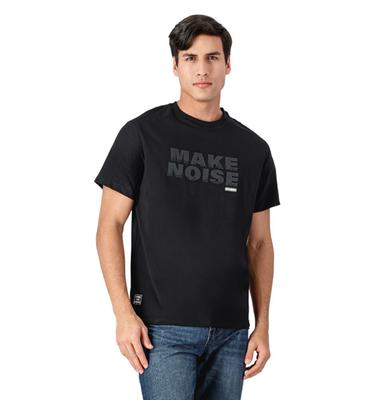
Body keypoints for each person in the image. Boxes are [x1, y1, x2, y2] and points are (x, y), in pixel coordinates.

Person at [94, 14, 280, 400]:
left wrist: (261, 324)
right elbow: (109, 225)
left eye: (212, 57)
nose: (202, 69)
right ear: (175, 65)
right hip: (162, 329)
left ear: (228, 64)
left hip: (231, 332)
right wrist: (123, 313)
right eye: (190, 58)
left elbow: (260, 243)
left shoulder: (253, 150)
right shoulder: (142, 134)